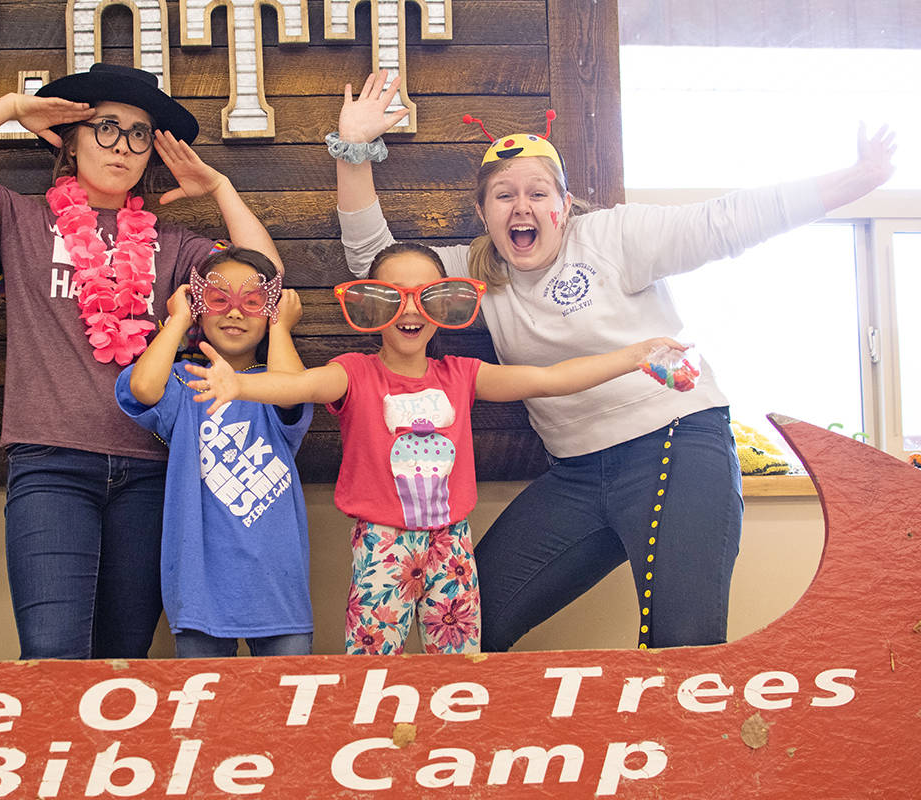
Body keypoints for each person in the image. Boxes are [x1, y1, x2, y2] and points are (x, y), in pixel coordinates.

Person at [329, 70, 898, 651]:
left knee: (684, 645)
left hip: (676, 444)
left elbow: (725, 222)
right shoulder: (477, 274)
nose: (521, 206)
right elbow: (375, 268)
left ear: (564, 205)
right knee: (470, 624)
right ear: (485, 213)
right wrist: (354, 150)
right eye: (504, 195)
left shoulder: (613, 237)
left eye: (538, 193)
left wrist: (856, 181)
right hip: (576, 472)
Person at [0, 63, 282, 660]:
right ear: (73, 139)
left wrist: (219, 189)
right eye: (106, 127)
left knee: (123, 660)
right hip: (51, 465)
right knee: (52, 655)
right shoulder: (19, 218)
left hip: (151, 474)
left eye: (140, 134)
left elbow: (267, 284)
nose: (123, 146)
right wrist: (11, 107)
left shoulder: (176, 243)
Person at [185, 242, 687, 655]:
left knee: (458, 661)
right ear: (370, 307)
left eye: (426, 296)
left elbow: (549, 378)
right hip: (381, 542)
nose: (408, 310)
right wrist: (241, 386)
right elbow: (299, 387)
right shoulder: (355, 373)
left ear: (445, 306)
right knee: (372, 661)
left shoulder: (461, 376)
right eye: (391, 297)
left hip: (453, 542)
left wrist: (636, 355)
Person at [115, 247, 313, 658]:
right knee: (204, 715)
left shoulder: (276, 386)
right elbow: (143, 388)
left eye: (255, 302)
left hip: (277, 585)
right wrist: (178, 321)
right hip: (199, 584)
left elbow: (292, 388)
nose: (236, 313)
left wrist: (281, 329)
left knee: (284, 712)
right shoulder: (186, 384)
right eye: (219, 300)